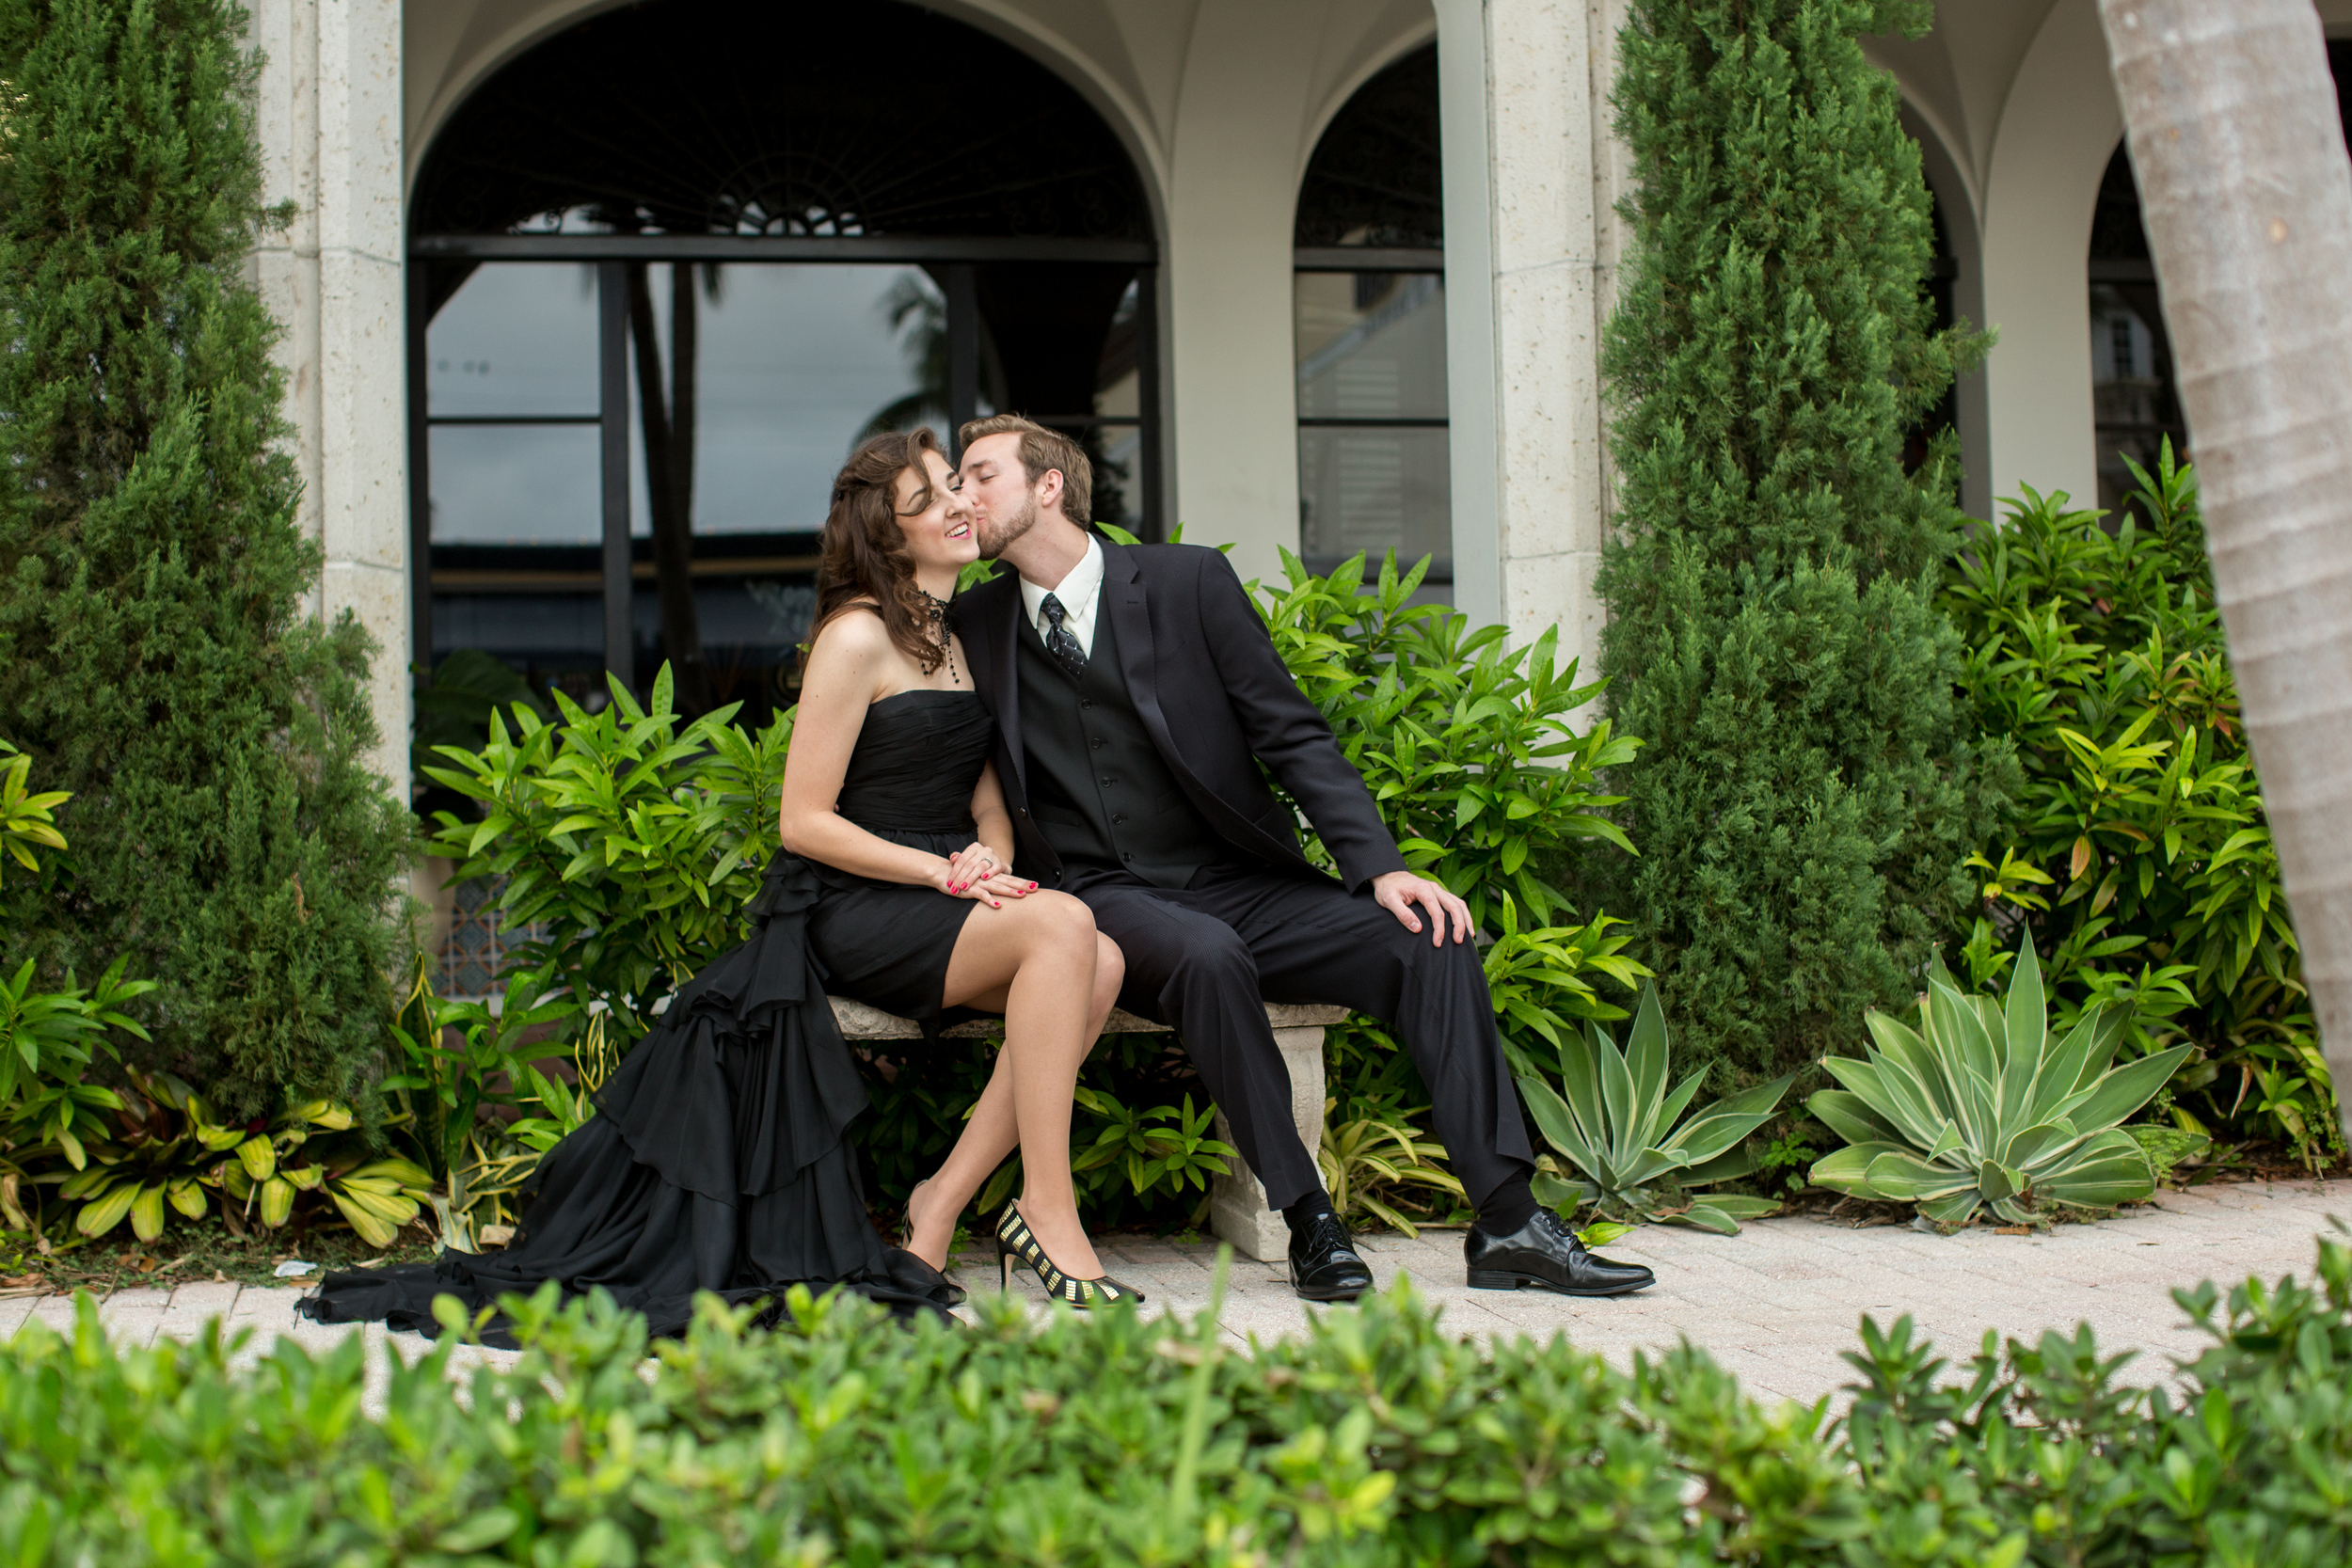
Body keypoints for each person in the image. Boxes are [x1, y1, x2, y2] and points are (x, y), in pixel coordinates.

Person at [300, 429, 1136, 1345]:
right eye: (933, 497)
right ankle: (1048, 1213)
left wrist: (989, 858)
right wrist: (941, 871)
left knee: (1096, 959)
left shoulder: (957, 631)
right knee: (1068, 930)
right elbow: (802, 820)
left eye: (955, 487)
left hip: (945, 891)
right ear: (889, 536)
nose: (959, 504)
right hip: (855, 900)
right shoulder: (855, 636)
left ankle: (938, 1201)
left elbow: (984, 793)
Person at [951, 414, 1656, 1303]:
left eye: (980, 476)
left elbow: (1291, 734)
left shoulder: (1188, 582)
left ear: (1048, 485)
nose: (962, 498)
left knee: (1427, 937)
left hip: (1238, 881)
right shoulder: (972, 622)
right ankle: (1309, 1219)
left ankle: (1511, 1219)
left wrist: (1379, 867)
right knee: (1207, 957)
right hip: (1101, 897)